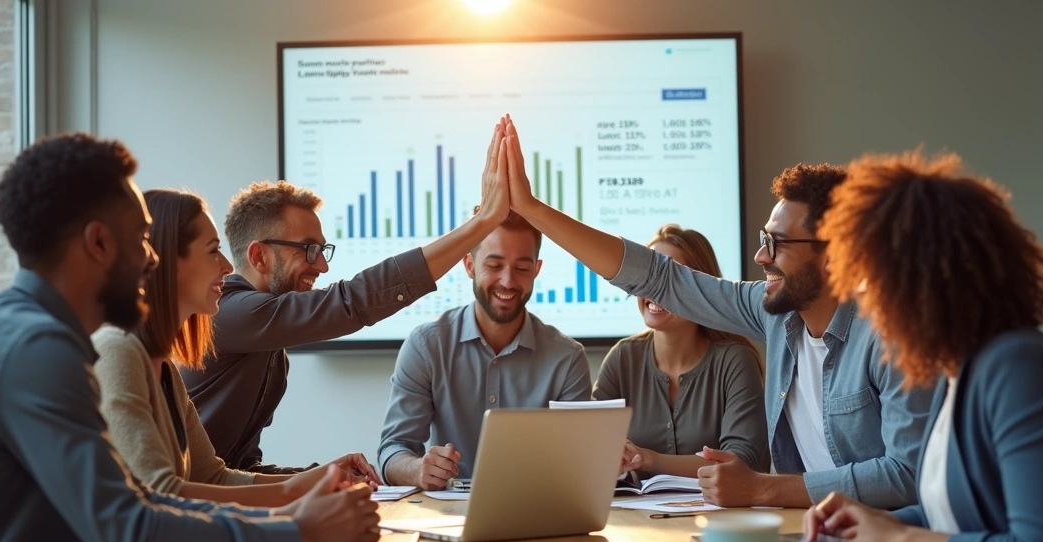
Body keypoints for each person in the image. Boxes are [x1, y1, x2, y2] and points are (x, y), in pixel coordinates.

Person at [0, 134, 380, 542]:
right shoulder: (35, 349)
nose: (153, 261)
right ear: (99, 243)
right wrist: (299, 531)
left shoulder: (17, 332)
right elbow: (133, 535)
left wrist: (294, 510)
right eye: (143, 239)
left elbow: (143, 507)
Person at [499, 116, 936, 509]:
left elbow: (906, 476)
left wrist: (764, 488)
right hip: (815, 534)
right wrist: (534, 211)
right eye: (765, 239)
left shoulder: (891, 335)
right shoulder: (776, 316)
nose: (761, 256)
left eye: (778, 244)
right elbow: (659, 277)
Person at [802, 152, 1043, 542]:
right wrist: (866, 520)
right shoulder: (958, 370)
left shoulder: (1017, 368)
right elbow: (955, 513)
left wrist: (899, 537)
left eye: (870, 283)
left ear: (922, 285)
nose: (862, 300)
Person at [183, 117, 514, 474]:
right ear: (258, 256)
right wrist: (481, 224)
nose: (322, 266)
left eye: (323, 251)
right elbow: (351, 301)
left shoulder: (267, 343)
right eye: (308, 250)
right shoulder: (228, 315)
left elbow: (238, 470)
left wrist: (322, 475)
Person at [93, 188, 382, 508]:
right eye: (213, 250)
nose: (228, 266)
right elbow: (163, 496)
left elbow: (215, 477)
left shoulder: (166, 371)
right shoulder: (116, 351)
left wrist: (318, 480)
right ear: (166, 259)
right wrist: (297, 525)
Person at [378, 208, 593, 489]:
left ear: (537, 270)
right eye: (494, 265)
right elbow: (393, 450)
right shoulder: (426, 346)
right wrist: (419, 470)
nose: (508, 281)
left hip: (536, 509)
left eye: (522, 268)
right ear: (469, 265)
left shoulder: (567, 358)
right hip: (448, 514)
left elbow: (579, 461)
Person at [594, 224, 768, 478]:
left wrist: (650, 460)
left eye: (667, 282)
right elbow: (591, 448)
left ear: (697, 290)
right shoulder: (622, 358)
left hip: (721, 516)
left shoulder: (735, 360)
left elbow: (740, 463)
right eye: (646, 279)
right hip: (639, 516)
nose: (653, 291)